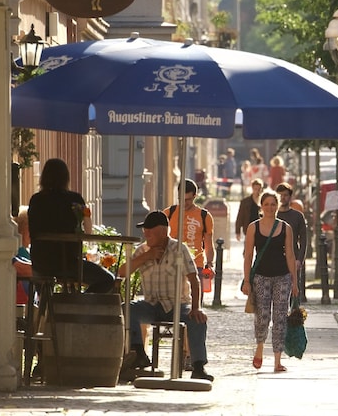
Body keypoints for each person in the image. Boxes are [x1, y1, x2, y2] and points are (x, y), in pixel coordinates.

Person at [119, 211, 213, 381]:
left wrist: (196, 307)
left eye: (150, 231)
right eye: (145, 231)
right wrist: (146, 256)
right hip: (151, 305)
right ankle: (138, 352)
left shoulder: (179, 249)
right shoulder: (142, 250)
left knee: (198, 319)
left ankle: (198, 366)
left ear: (163, 232)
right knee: (126, 308)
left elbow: (194, 279)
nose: (146, 234)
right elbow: (122, 272)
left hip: (177, 304)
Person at [28, 158, 115, 294]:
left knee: (46, 297)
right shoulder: (74, 199)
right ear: (66, 178)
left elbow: (32, 231)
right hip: (69, 263)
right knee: (108, 280)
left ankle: (50, 309)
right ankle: (82, 304)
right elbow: (88, 232)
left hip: (41, 263)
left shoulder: (36, 200)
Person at [242, 190, 298, 373]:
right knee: (262, 316)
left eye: (273, 204)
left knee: (280, 317)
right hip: (260, 276)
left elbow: (290, 254)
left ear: (278, 205)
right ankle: (259, 348)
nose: (270, 207)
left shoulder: (285, 228)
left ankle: (277, 360)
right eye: (266, 204)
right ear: (261, 206)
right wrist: (246, 280)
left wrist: (295, 282)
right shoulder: (253, 227)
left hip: (283, 276)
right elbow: (248, 255)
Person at [162, 179, 214, 278]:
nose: (184, 203)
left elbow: (208, 243)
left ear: (195, 196)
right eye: (181, 199)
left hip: (196, 265)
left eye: (188, 200)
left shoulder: (204, 216)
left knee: (196, 293)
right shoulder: (169, 213)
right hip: (171, 263)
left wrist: (209, 263)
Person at [275, 183, 307, 286]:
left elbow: (303, 239)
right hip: (275, 258)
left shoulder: (297, 216)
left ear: (290, 197)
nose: (282, 198)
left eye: (285, 195)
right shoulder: (271, 216)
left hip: (293, 257)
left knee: (293, 290)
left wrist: (300, 260)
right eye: (280, 195)